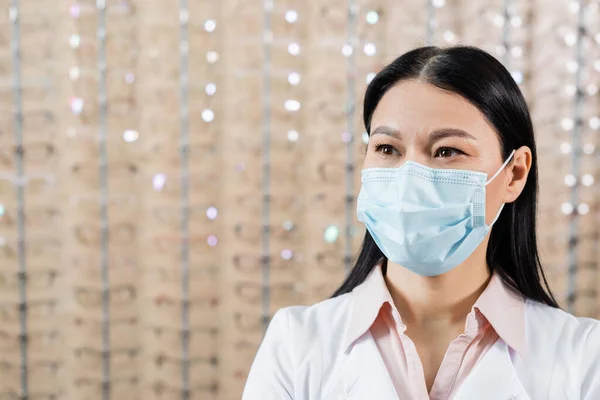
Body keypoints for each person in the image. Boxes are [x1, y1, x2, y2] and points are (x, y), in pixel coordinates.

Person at [241, 45, 600, 400]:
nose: (410, 178)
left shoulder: (584, 357)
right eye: (387, 148)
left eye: (447, 151)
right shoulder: (296, 344)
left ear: (514, 174)